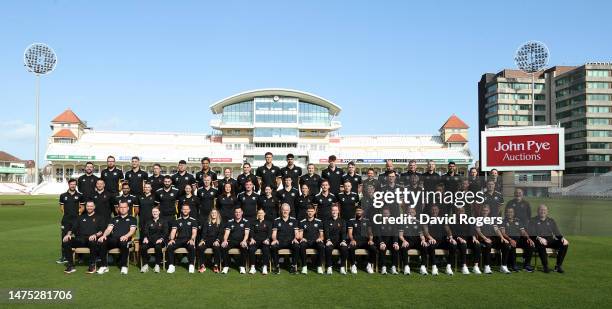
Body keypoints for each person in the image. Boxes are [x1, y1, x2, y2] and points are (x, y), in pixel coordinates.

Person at [62, 201, 105, 274]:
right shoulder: (81, 217)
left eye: (91, 206)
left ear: (94, 207)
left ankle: (92, 265)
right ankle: (71, 265)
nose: (89, 208)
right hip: (80, 239)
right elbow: (73, 229)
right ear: (86, 207)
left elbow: (101, 231)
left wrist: (95, 235)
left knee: (93, 241)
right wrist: (68, 234)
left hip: (91, 239)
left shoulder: (99, 218)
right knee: (66, 241)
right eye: (88, 206)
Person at [96, 201, 137, 275]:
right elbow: (108, 229)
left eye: (124, 207)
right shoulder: (114, 219)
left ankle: (124, 266)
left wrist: (126, 236)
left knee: (124, 243)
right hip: (114, 239)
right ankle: (104, 266)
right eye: (121, 207)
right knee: (102, 242)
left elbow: (132, 231)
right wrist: (104, 235)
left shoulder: (132, 219)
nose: (123, 209)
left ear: (128, 208)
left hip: (125, 239)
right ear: (118, 208)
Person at [528, 204, 569, 273]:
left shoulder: (551, 220)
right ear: (538, 211)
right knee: (541, 244)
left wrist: (562, 238)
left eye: (544, 210)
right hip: (538, 241)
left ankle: (558, 266)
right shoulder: (533, 220)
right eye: (541, 210)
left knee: (564, 244)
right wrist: (539, 238)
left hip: (550, 240)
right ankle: (545, 266)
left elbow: (556, 232)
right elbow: (531, 233)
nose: (543, 211)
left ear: (547, 212)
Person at [475, 205, 511, 274]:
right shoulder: (478, 219)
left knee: (506, 244)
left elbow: (497, 230)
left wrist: (502, 238)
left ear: (489, 211)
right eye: (483, 210)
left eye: (486, 210)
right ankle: (487, 267)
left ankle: (503, 266)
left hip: (493, 239)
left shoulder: (491, 219)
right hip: (483, 239)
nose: (485, 212)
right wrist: (485, 238)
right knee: (488, 245)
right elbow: (478, 231)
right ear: (481, 211)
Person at [422, 204, 455, 275]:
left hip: (442, 241)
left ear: (438, 210)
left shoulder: (442, 219)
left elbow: (448, 229)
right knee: (431, 246)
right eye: (433, 210)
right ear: (430, 211)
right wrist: (430, 238)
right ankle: (434, 267)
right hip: (432, 240)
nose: (434, 211)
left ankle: (448, 267)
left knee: (453, 245)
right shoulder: (427, 219)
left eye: (436, 209)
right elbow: (425, 231)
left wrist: (451, 237)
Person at [500, 207, 534, 273]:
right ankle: (513, 265)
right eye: (508, 212)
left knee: (530, 245)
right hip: (509, 239)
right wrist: (510, 239)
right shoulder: (503, 221)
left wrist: (528, 238)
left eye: (511, 212)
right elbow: (503, 233)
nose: (510, 213)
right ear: (506, 213)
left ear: (514, 213)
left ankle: (527, 265)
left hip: (518, 239)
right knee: (513, 245)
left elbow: (523, 232)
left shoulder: (518, 221)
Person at [166, 204, 198, 274]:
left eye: (187, 209)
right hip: (179, 240)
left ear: (189, 210)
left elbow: (194, 232)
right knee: (170, 246)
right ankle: (171, 266)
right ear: (181, 210)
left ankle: (191, 265)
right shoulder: (177, 220)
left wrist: (192, 239)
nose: (185, 210)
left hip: (188, 239)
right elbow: (173, 231)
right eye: (184, 209)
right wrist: (171, 239)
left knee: (192, 247)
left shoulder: (193, 221)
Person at [58, 179, 84, 264]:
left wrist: (78, 215)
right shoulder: (63, 195)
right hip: (66, 220)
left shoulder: (80, 195)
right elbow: (61, 207)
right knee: (64, 238)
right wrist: (67, 214)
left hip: (77, 220)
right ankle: (64, 256)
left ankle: (80, 257)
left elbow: (82, 207)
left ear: (76, 185)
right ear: (68, 184)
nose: (73, 185)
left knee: (79, 238)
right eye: (71, 184)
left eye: (74, 184)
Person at [449, 207, 481, 275]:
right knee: (463, 245)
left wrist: (474, 237)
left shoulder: (468, 220)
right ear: (456, 212)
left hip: (468, 239)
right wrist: (458, 237)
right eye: (459, 211)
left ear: (464, 212)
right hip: (458, 240)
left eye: (462, 211)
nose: (460, 212)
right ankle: (464, 266)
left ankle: (475, 266)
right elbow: (451, 232)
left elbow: (472, 230)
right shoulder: (452, 220)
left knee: (477, 244)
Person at [398, 207, 429, 275]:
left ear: (415, 213)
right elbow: (400, 235)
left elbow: (421, 235)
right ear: (406, 213)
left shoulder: (418, 222)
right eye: (408, 212)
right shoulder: (402, 222)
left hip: (416, 241)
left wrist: (423, 240)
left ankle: (423, 267)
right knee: (403, 248)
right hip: (407, 241)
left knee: (424, 246)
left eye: (412, 212)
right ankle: (406, 267)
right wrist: (404, 241)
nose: (410, 214)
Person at [271, 203, 300, 274]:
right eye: (283, 210)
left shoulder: (294, 220)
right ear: (281, 210)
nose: (285, 212)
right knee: (273, 246)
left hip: (291, 241)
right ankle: (277, 266)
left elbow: (296, 232)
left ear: (289, 211)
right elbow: (274, 233)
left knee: (296, 246)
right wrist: (274, 240)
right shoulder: (276, 220)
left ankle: (293, 266)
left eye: (287, 210)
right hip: (280, 241)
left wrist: (295, 238)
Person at [220, 207, 250, 274]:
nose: (238, 214)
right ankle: (226, 266)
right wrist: (225, 240)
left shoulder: (246, 221)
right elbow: (226, 233)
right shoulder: (230, 222)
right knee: (223, 247)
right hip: (232, 241)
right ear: (234, 213)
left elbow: (246, 234)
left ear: (242, 213)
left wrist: (244, 241)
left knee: (244, 247)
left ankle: (242, 267)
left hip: (241, 241)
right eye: (236, 212)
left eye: (239, 212)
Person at [347, 206, 375, 274]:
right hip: (356, 241)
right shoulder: (351, 221)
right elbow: (350, 233)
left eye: (360, 210)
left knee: (373, 248)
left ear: (363, 212)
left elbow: (370, 233)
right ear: (355, 212)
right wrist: (352, 240)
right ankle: (353, 265)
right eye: (357, 211)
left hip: (365, 242)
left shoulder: (367, 221)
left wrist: (371, 240)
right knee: (351, 248)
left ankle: (369, 265)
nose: (359, 212)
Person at [140, 207, 168, 273]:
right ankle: (145, 265)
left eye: (156, 211)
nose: (154, 213)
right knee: (143, 247)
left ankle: (157, 265)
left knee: (158, 246)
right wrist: (145, 238)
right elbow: (145, 231)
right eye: (153, 212)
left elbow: (166, 232)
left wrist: (161, 239)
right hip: (149, 240)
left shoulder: (164, 221)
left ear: (159, 212)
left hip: (160, 240)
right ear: (152, 213)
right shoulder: (148, 221)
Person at [298, 206, 325, 274]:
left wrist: (320, 238)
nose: (310, 213)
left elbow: (322, 235)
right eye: (309, 211)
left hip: (316, 241)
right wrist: (302, 238)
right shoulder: (302, 222)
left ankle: (319, 266)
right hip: (306, 241)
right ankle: (304, 266)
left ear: (315, 212)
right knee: (302, 245)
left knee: (321, 246)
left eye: (312, 211)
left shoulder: (319, 222)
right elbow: (300, 235)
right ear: (306, 212)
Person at [373, 207, 400, 275]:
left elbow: (395, 234)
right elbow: (377, 234)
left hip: (390, 242)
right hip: (381, 242)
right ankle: (383, 267)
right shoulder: (378, 222)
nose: (385, 215)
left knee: (395, 248)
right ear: (382, 214)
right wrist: (381, 243)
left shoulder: (393, 222)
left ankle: (393, 267)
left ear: (389, 214)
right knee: (382, 248)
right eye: (384, 213)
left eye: (387, 213)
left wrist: (395, 242)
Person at [323, 205, 349, 275]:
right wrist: (328, 240)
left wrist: (343, 241)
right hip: (330, 241)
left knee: (344, 248)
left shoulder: (342, 221)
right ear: (331, 211)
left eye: (335, 210)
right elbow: (326, 232)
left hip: (340, 242)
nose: (334, 212)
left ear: (338, 211)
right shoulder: (326, 221)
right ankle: (329, 267)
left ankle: (342, 267)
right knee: (328, 248)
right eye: (333, 210)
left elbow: (343, 232)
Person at [197, 209, 223, 273]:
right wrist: (202, 240)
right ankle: (202, 265)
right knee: (200, 247)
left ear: (217, 215)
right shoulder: (206, 222)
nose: (214, 214)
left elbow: (221, 234)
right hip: (207, 240)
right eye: (212, 213)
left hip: (216, 241)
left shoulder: (220, 223)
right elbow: (204, 233)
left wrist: (217, 240)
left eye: (215, 213)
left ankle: (216, 266)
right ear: (210, 214)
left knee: (216, 248)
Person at [248, 208, 272, 275]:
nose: (260, 214)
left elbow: (270, 233)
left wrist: (267, 239)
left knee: (266, 249)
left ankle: (264, 266)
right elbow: (251, 232)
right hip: (255, 241)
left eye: (261, 213)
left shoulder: (268, 223)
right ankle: (253, 267)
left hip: (265, 241)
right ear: (257, 214)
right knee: (251, 249)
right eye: (259, 213)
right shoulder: (253, 222)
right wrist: (252, 238)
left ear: (264, 214)